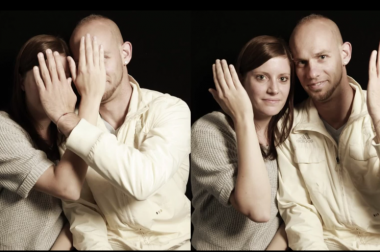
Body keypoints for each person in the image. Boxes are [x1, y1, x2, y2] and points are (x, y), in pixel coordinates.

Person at [54, 14, 191, 250]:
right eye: (84, 62)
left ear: (125, 54)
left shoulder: (170, 108)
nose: (93, 72)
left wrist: (73, 126)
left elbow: (144, 181)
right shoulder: (72, 126)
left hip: (171, 244)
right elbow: (82, 209)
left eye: (101, 58)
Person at [277, 13, 380, 250]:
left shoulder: (377, 110)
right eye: (301, 62)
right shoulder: (287, 128)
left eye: (322, 57)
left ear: (345, 54)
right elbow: (298, 210)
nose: (311, 73)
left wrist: (378, 122)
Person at [191, 35, 294, 250]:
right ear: (240, 80)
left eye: (283, 78)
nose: (274, 89)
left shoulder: (289, 129)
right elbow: (258, 209)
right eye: (261, 77)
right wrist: (243, 118)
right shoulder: (208, 130)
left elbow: (301, 208)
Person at [0, 34, 94, 250]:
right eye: (45, 74)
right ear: (22, 81)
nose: (54, 85)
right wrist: (90, 97)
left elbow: (82, 211)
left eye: (62, 75)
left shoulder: (67, 133)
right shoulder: (4, 130)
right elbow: (67, 187)